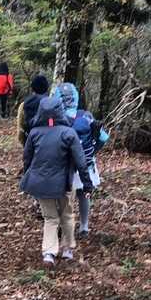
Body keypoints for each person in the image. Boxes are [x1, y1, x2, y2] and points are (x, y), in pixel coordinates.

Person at [20, 92, 92, 264]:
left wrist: (27, 176)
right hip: (64, 183)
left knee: (50, 218)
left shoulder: (34, 133)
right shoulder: (69, 133)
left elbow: (27, 158)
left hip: (40, 183)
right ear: (60, 111)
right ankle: (67, 249)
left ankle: (49, 253)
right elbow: (81, 162)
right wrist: (87, 184)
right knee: (67, 215)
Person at [56, 82, 110, 238]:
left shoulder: (57, 118)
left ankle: (64, 225)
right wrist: (93, 151)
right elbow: (104, 137)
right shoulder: (86, 115)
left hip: (65, 165)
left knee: (64, 196)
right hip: (86, 164)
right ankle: (84, 226)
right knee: (84, 194)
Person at [15, 73, 50, 145]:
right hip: (48, 141)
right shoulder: (52, 104)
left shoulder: (24, 104)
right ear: (46, 88)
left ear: (32, 88)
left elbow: (20, 128)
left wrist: (25, 144)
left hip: (30, 140)